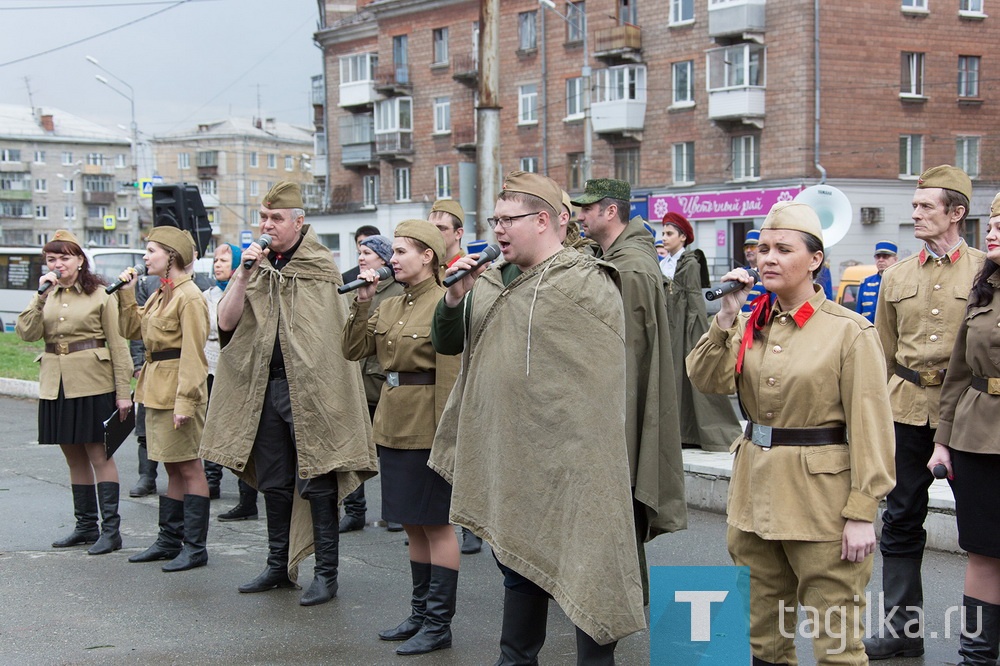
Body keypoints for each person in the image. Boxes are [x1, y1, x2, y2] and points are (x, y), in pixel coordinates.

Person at [430, 171, 645, 664]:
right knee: (517, 564)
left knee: (589, 567)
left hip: (576, 463)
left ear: (544, 220)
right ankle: (515, 658)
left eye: (509, 219)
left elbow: (598, 385)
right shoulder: (489, 281)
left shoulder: (586, 283)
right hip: (514, 453)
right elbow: (447, 343)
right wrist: (455, 296)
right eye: (495, 219)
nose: (498, 230)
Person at [687, 201, 896, 665]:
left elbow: (872, 428)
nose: (768, 259)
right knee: (763, 637)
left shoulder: (849, 332)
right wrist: (725, 317)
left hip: (822, 503)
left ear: (815, 260)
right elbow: (706, 379)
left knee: (836, 640)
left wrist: (863, 509)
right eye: (763, 248)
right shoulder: (747, 322)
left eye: (783, 249)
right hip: (755, 496)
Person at [199, 181, 377, 606]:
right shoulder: (255, 268)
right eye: (263, 217)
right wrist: (243, 273)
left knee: (318, 478)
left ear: (299, 222)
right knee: (275, 482)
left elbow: (328, 334)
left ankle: (326, 574)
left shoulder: (318, 266)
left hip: (314, 390)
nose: (267, 225)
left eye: (276, 218)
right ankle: (278, 565)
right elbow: (225, 324)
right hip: (265, 387)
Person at [867, 165, 986, 659]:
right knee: (899, 519)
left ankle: (984, 639)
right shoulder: (896, 276)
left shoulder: (986, 270)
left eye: (925, 207)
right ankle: (901, 630)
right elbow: (884, 353)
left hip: (968, 415)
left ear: (956, 213)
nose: (914, 214)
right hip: (907, 409)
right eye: (913, 207)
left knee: (985, 529)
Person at [342, 220, 462, 656]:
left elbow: (451, 372)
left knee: (435, 523)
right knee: (412, 523)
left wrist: (450, 433)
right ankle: (419, 613)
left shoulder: (445, 300)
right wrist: (362, 303)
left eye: (400, 252)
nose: (390, 259)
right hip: (392, 422)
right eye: (391, 252)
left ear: (428, 256)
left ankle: (438, 623)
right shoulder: (390, 304)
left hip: (428, 423)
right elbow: (353, 351)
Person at [572, 178, 687, 605]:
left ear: (610, 211)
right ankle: (619, 590)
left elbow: (627, 356)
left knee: (614, 500)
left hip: (618, 408)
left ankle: (620, 594)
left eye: (586, 209)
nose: (580, 216)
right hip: (612, 405)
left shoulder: (631, 267)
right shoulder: (616, 256)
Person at [16, 230, 132, 555]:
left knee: (99, 454)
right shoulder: (47, 295)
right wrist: (39, 297)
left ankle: (111, 531)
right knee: (72, 455)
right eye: (52, 259)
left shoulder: (100, 294)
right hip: (57, 384)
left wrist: (124, 393)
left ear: (80, 260)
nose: (58, 264)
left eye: (65, 257)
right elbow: (26, 333)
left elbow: (119, 345)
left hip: (94, 382)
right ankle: (85, 527)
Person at [929, 193, 1000, 666]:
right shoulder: (986, 287)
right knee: (982, 549)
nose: (991, 232)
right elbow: (957, 372)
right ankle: (976, 655)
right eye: (991, 224)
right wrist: (941, 443)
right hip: (976, 436)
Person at [116, 226, 211, 572]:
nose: (145, 257)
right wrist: (127, 295)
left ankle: (195, 547)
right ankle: (169, 540)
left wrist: (186, 401)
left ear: (172, 255)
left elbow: (193, 354)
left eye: (152, 250)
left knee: (188, 465)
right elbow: (134, 330)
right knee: (171, 464)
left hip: (177, 390)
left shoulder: (189, 296)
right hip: (156, 388)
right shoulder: (162, 292)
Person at [338, 234, 404, 534]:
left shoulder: (396, 291)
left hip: (382, 384)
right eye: (359, 253)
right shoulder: (362, 288)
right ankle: (354, 510)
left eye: (367, 253)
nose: (361, 258)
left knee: (389, 455)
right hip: (357, 383)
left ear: (383, 257)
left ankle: (394, 511)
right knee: (354, 451)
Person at [660, 212, 742, 452]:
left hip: (686, 327)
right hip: (670, 325)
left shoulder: (690, 263)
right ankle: (680, 430)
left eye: (669, 233)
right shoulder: (665, 263)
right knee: (674, 379)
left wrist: (694, 332)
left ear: (683, 237)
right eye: (663, 233)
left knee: (690, 376)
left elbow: (694, 299)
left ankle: (701, 431)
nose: (664, 238)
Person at [203, 243, 259, 522]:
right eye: (215, 259)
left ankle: (247, 499)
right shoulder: (207, 295)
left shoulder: (248, 290)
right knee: (212, 426)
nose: (217, 264)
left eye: (224, 259)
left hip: (239, 369)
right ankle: (210, 482)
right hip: (211, 366)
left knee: (241, 432)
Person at [127, 274, 160, 498]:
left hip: (180, 365)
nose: (146, 257)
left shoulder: (200, 283)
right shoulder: (149, 284)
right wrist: (138, 363)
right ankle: (147, 477)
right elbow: (138, 330)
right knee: (145, 427)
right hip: (151, 366)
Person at [856, 241, 899, 323]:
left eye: (885, 256)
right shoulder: (866, 282)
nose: (881, 260)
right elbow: (859, 312)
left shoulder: (900, 282)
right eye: (878, 257)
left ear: (895, 259)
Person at [428, 199, 465, 268]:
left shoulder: (468, 269)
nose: (433, 233)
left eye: (441, 228)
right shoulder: (425, 267)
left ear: (458, 233)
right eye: (430, 228)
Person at [741, 228, 767, 313]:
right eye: (746, 247)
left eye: (752, 247)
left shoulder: (768, 273)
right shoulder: (741, 272)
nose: (748, 250)